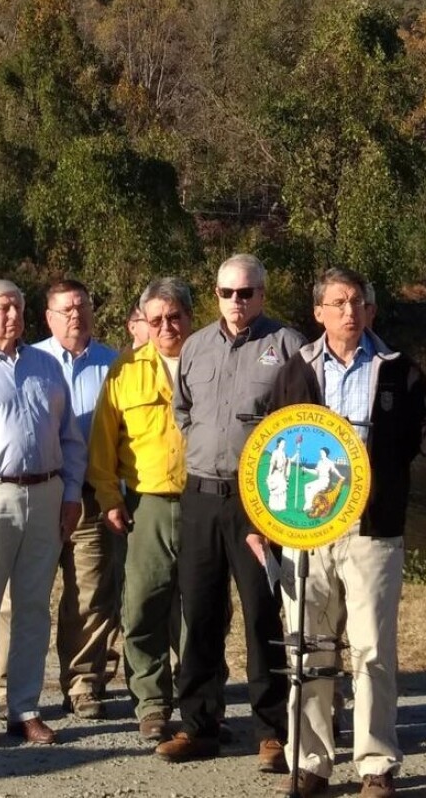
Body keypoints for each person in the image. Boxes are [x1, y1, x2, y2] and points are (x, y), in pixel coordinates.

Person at [265, 265, 426, 798]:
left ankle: (375, 765)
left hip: (374, 528)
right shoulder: (295, 370)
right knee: (307, 647)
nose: (349, 311)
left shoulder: (400, 369)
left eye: (357, 302)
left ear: (370, 310)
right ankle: (312, 763)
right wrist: (266, 521)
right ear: (318, 311)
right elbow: (271, 450)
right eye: (337, 303)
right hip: (306, 530)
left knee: (372, 650)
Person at [155, 254, 305, 773]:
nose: (236, 302)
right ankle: (198, 724)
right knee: (199, 613)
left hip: (259, 502)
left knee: (264, 613)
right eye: (226, 293)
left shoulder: (288, 346)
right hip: (200, 496)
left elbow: (304, 424)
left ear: (262, 294)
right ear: (215, 294)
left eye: (246, 293)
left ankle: (273, 731)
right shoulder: (194, 346)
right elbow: (183, 410)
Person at [88, 277, 193, 741]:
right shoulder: (125, 370)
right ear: (143, 324)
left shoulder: (211, 362)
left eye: (174, 317)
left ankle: (198, 703)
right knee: (142, 605)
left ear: (190, 317)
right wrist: (109, 498)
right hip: (144, 502)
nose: (166, 326)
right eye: (156, 320)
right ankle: (151, 704)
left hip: (204, 500)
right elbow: (102, 444)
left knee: (199, 610)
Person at [0, 279, 86, 744]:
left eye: (17, 307)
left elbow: (70, 438)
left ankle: (24, 710)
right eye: (2, 307)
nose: (11, 315)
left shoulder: (46, 366)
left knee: (33, 606)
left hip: (46, 493)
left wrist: (72, 495)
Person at [30, 280, 119, 720]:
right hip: (38, 493)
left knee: (89, 595)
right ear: (48, 317)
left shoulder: (115, 364)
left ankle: (83, 683)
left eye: (81, 306)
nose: (75, 316)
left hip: (89, 496)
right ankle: (8, 686)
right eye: (65, 309)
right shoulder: (31, 361)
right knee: (20, 595)